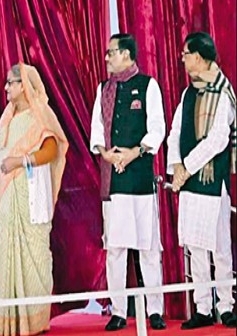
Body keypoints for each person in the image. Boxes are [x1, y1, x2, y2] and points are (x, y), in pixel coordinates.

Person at [0, 63, 69, 336]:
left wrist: (21, 161)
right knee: (7, 255)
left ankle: (34, 322)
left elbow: (51, 149)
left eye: (11, 82)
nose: (6, 88)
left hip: (30, 198)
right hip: (7, 200)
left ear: (24, 85)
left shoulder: (39, 115)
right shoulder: (7, 117)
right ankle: (10, 323)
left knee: (35, 256)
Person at [89, 34, 166, 331]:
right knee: (116, 249)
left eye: (111, 52)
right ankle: (119, 311)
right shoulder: (104, 89)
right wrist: (106, 154)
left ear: (126, 54)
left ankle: (155, 310)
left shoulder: (148, 85)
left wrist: (134, 153)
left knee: (149, 248)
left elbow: (157, 128)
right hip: (114, 182)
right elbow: (97, 129)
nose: (107, 57)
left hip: (141, 178)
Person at [166, 32, 236, 329]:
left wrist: (188, 168)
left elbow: (218, 139)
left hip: (211, 180)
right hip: (190, 180)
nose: (182, 59)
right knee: (195, 246)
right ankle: (203, 308)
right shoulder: (187, 94)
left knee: (219, 247)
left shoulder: (223, 93)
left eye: (185, 54)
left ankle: (226, 306)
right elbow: (175, 133)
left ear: (198, 56)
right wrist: (176, 166)